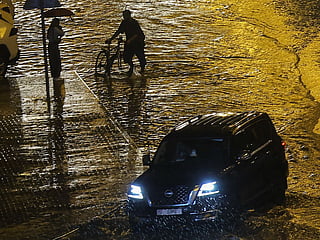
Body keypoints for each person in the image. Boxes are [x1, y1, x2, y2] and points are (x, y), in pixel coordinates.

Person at [107, 10, 146, 76]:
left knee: (140, 55)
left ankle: (142, 70)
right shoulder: (124, 22)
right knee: (127, 57)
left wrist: (130, 40)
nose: (125, 17)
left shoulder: (134, 22)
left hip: (138, 41)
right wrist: (111, 39)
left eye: (126, 16)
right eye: (124, 16)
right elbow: (119, 31)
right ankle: (131, 68)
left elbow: (137, 33)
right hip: (129, 41)